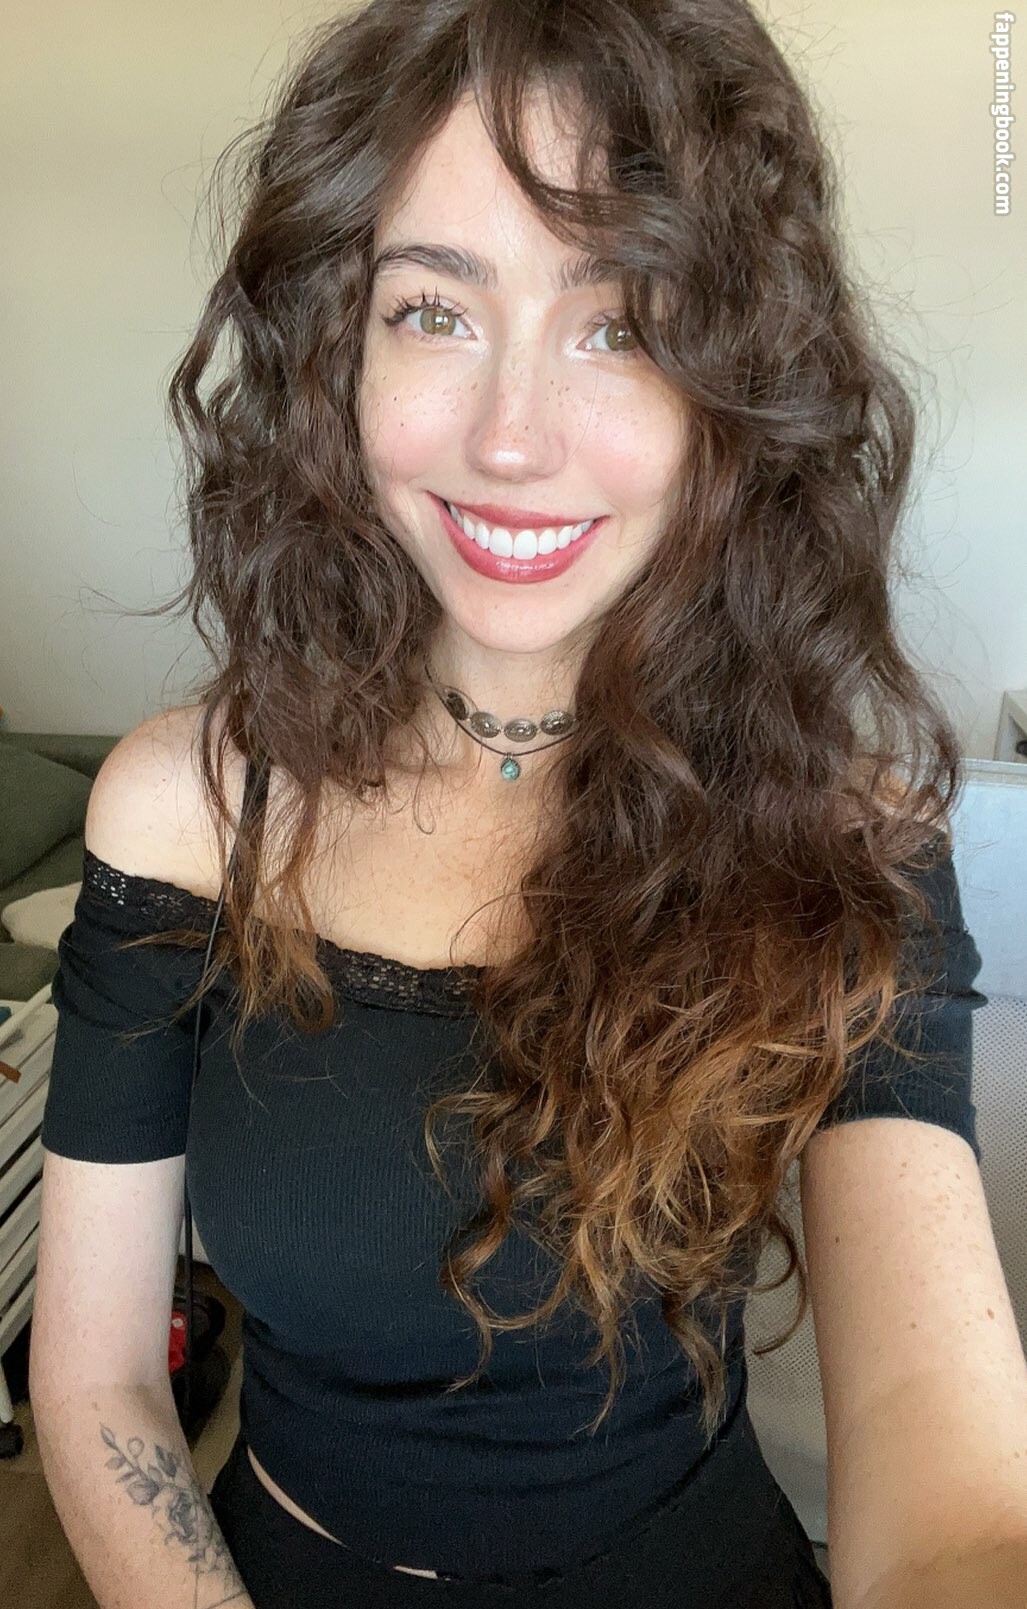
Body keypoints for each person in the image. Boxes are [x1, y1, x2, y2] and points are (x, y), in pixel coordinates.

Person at [30, 3, 1013, 1607]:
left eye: (620, 324)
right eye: (433, 310)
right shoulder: (188, 813)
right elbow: (97, 1380)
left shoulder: (843, 826)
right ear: (337, 349)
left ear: (735, 383)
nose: (509, 438)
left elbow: (945, 1461)